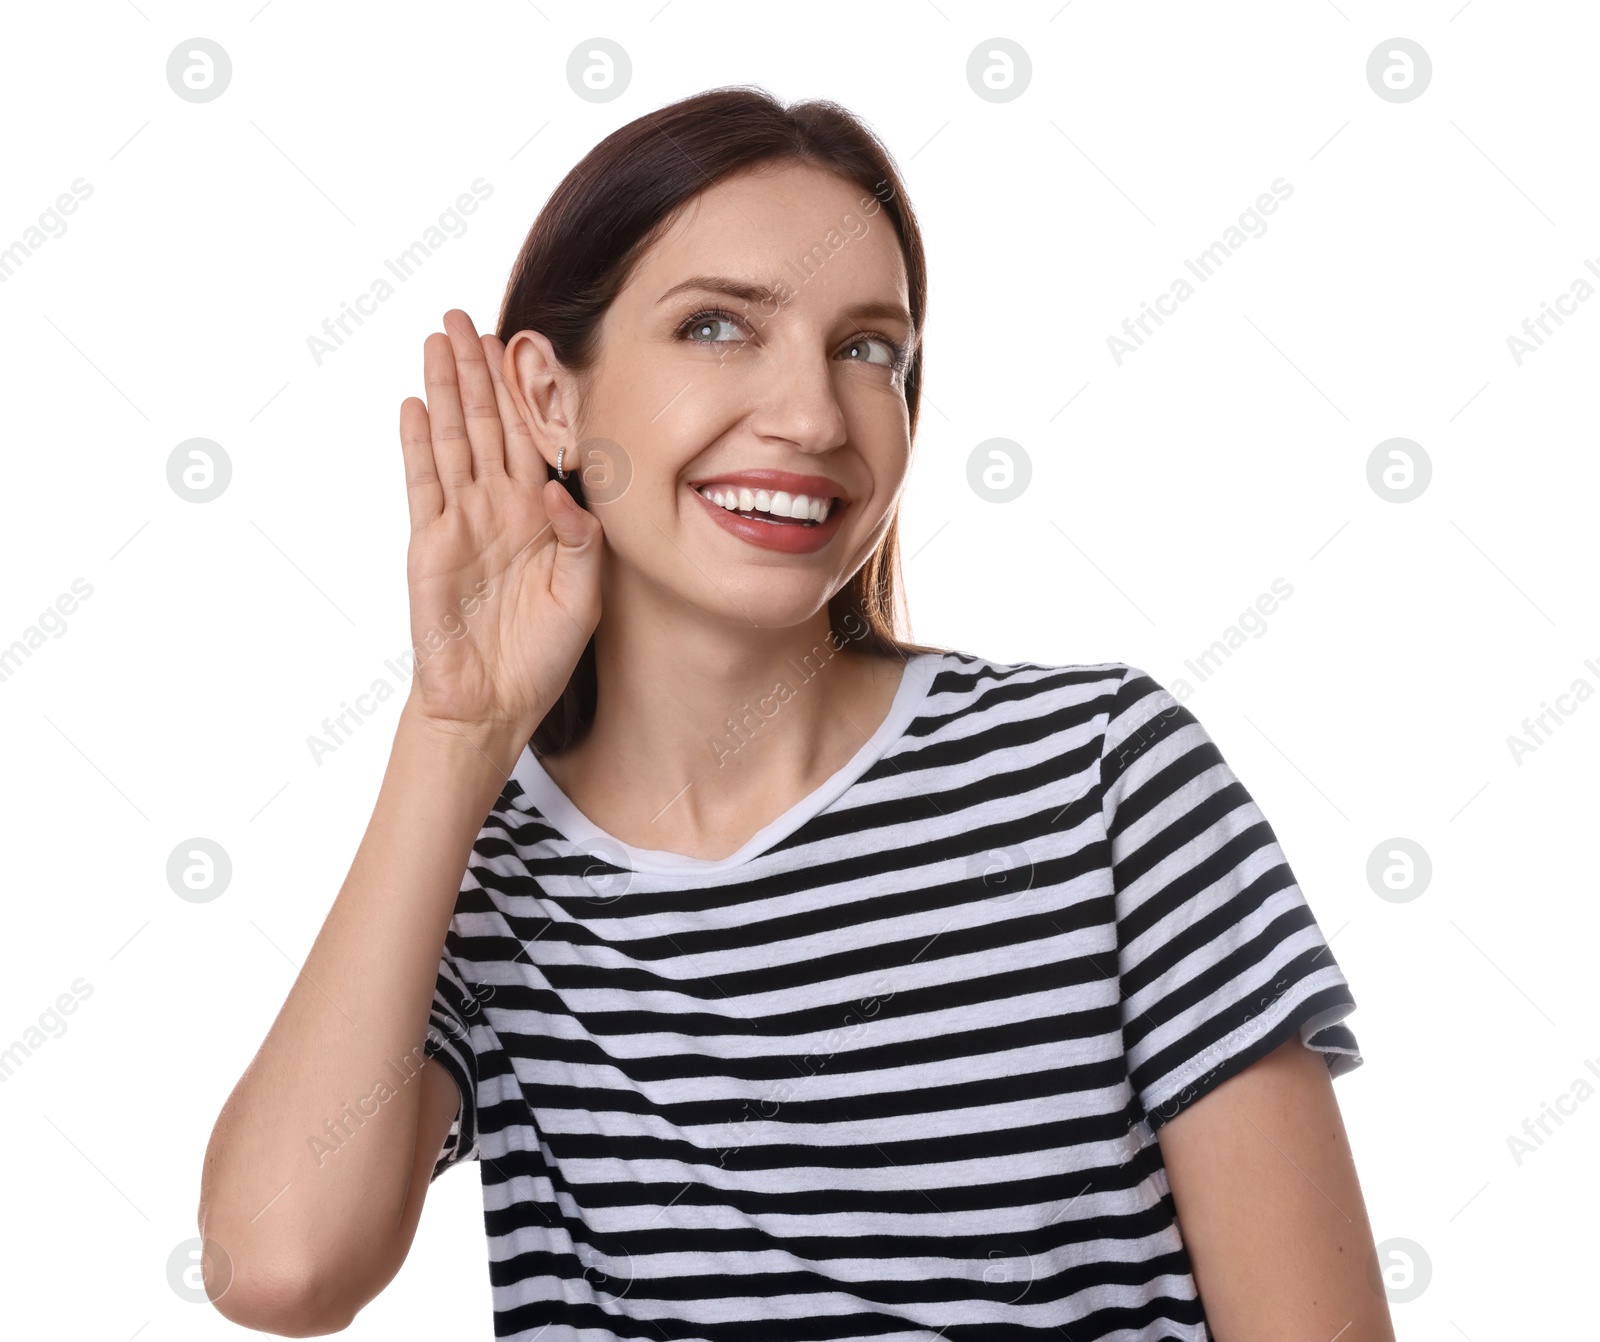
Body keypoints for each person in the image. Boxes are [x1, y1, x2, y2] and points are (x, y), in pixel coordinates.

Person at [197, 86, 1395, 1341]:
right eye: (717, 326)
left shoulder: (1102, 781)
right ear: (548, 398)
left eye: (869, 348)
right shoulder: (478, 876)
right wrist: (453, 737)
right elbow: (278, 1265)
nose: (815, 417)